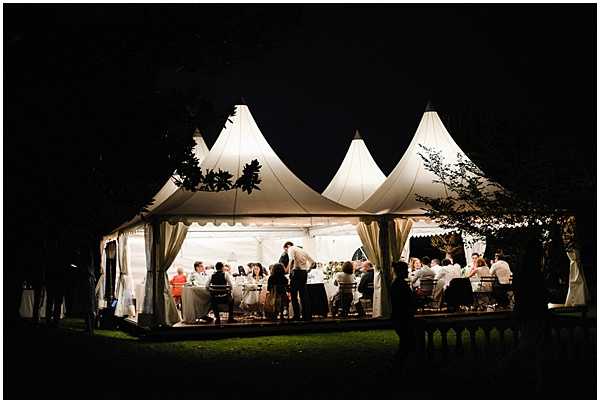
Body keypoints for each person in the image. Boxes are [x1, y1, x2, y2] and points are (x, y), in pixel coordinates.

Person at [389, 261, 417, 363]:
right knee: (407, 340)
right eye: (405, 270)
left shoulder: (397, 283)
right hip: (403, 316)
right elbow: (406, 300)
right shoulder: (400, 284)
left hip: (400, 316)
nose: (407, 272)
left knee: (405, 341)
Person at [284, 241, 314, 321]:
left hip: (296, 272)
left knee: (294, 295)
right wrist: (308, 270)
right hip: (304, 272)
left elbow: (292, 260)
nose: (286, 252)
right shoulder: (302, 250)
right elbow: (313, 263)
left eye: (285, 250)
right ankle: (307, 315)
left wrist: (290, 272)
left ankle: (296, 315)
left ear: (287, 247)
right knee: (304, 295)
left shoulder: (291, 249)